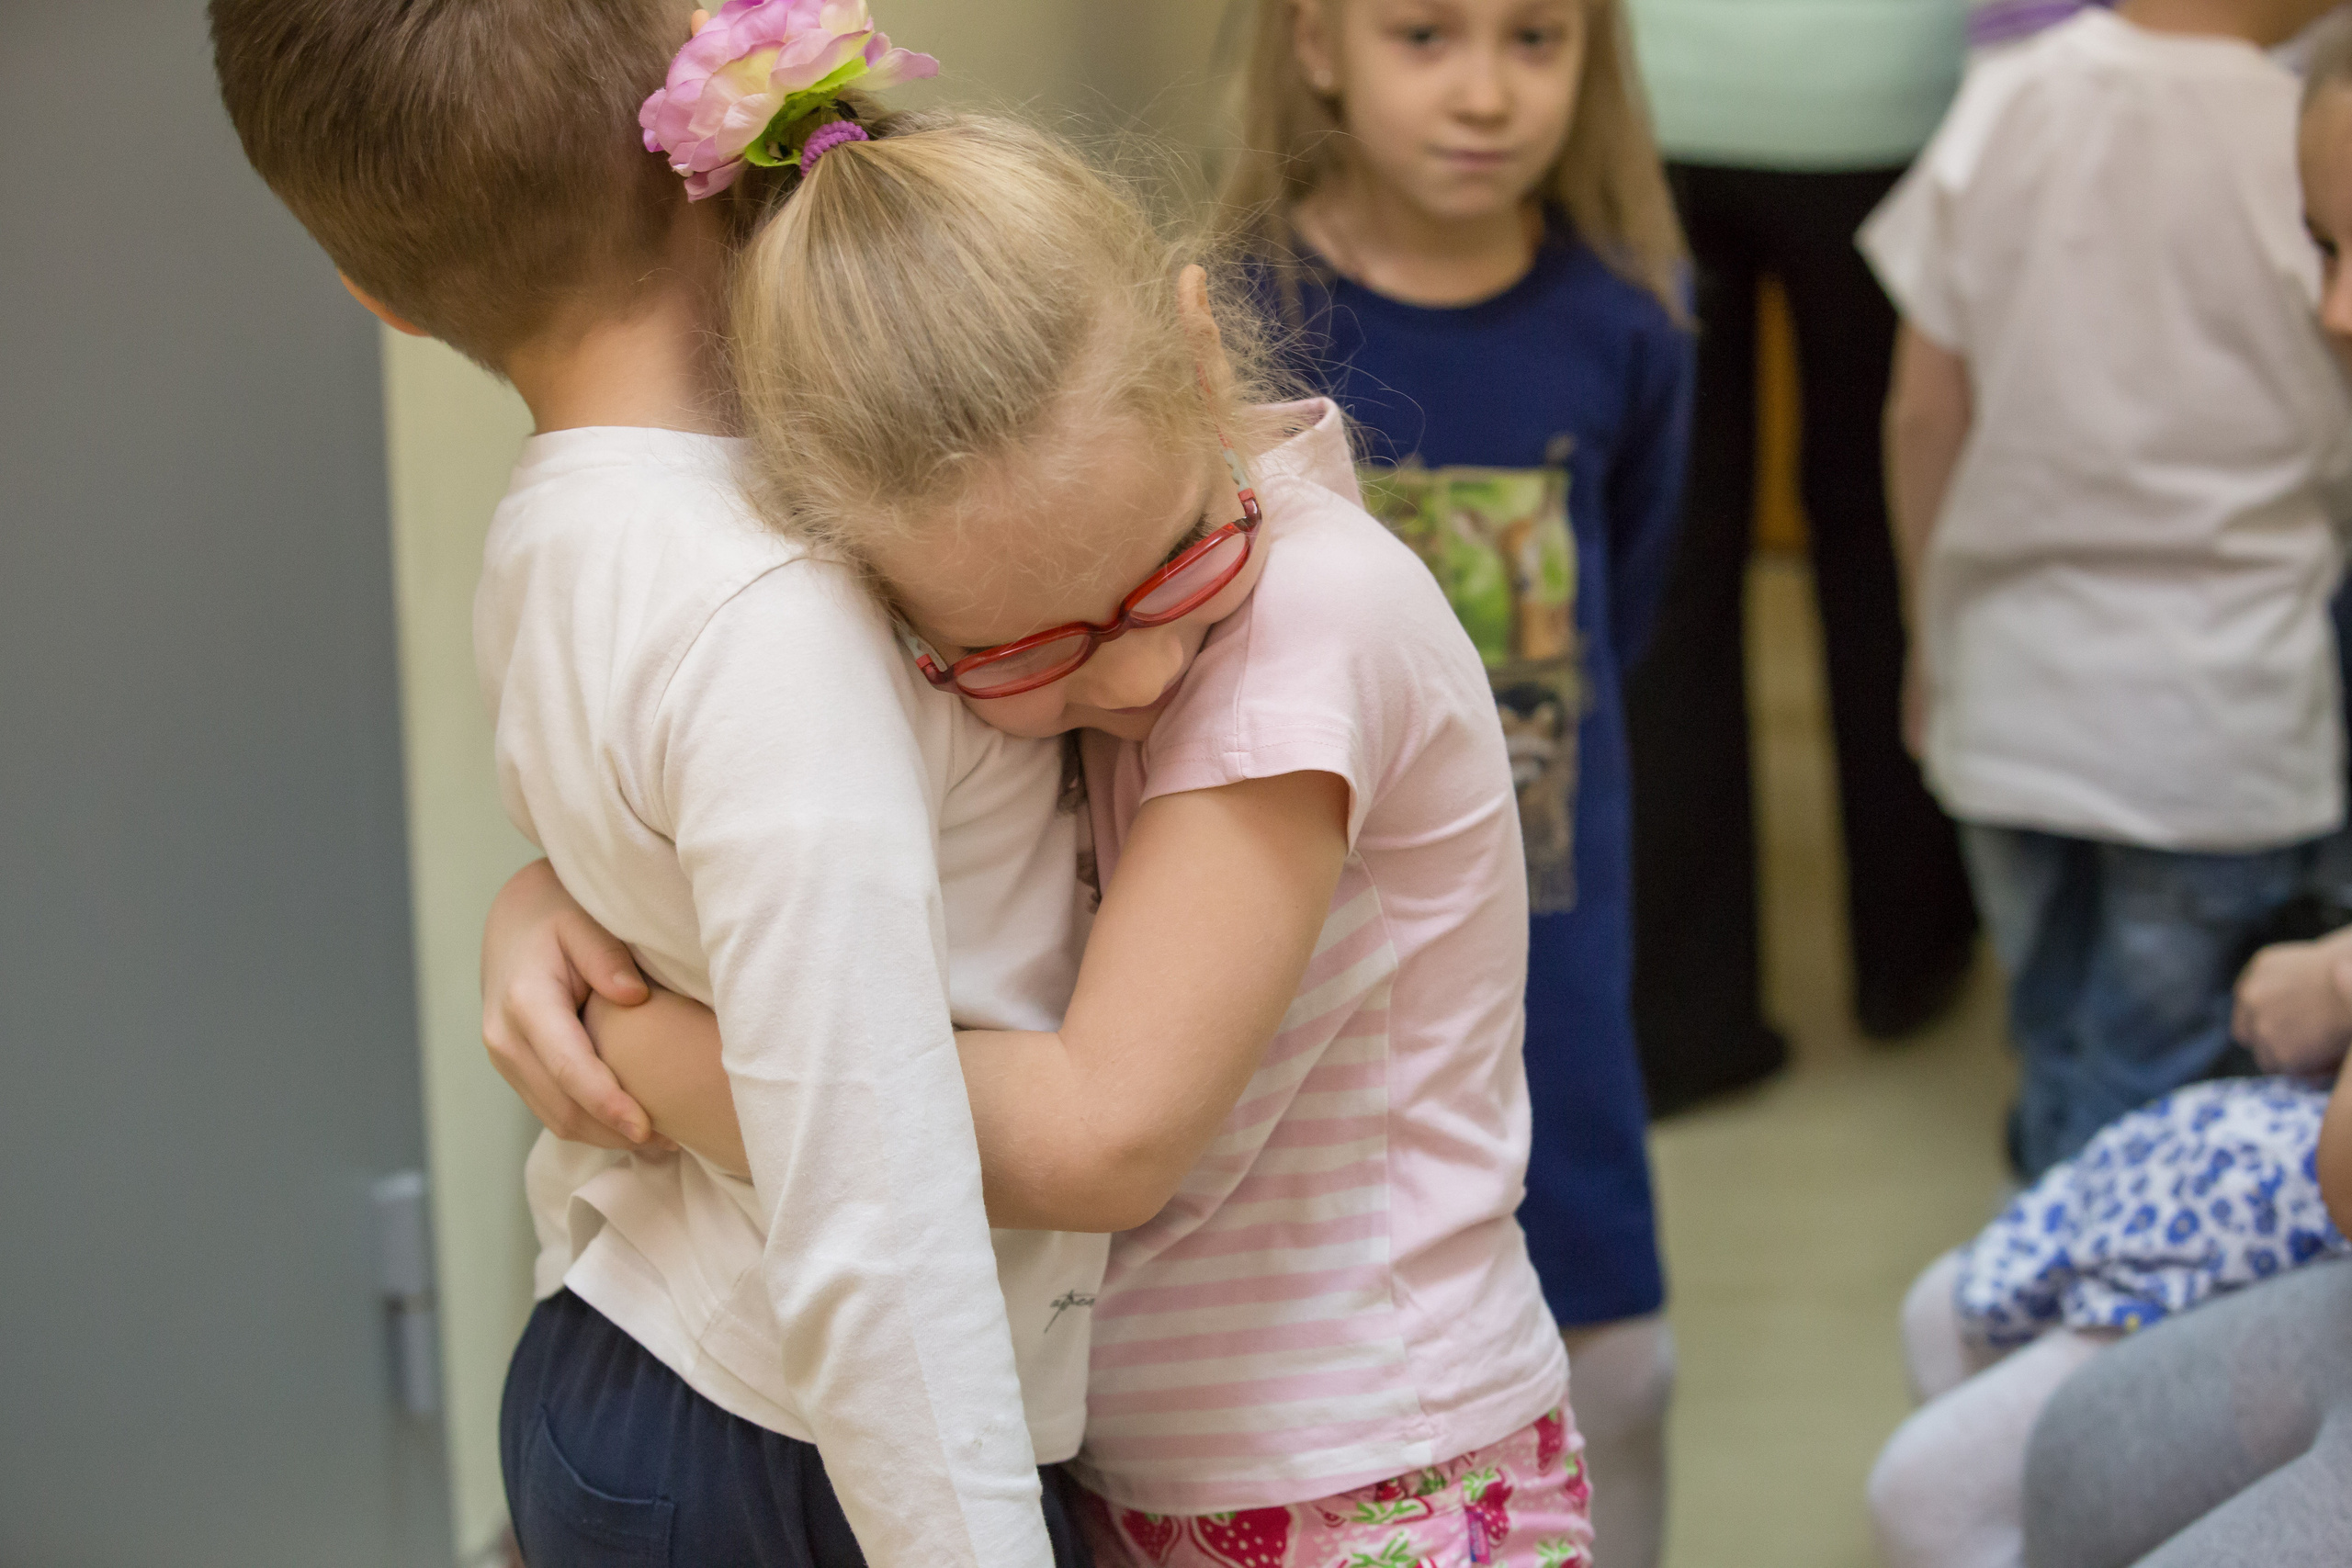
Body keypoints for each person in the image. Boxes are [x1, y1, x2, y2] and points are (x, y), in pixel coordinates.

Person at [492, 95, 1599, 1568]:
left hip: (1369, 1475)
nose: (1135, 675)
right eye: (1029, 651)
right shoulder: (1036, 581)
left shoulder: (1306, 630)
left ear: (1200, 357)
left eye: (1176, 560)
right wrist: (557, 890)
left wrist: (618, 1030)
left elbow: (1099, 1132)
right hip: (1146, 1469)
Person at [209, 3, 1109, 1563]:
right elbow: (871, 1209)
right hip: (807, 1447)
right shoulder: (769, 613)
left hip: (653, 1368)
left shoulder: (566, 527)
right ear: (712, 130)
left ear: (376, 293)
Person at [1203, 4, 1690, 1559]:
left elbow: (1629, 594)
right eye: (1426, 35)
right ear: (1318, 43)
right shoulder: (1230, 314)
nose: (1486, 93)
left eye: (1535, 40)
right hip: (1298, 936)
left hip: (1548, 936)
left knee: (1610, 1341)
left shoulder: (1630, 320)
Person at [1863, 0, 2352, 1186]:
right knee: (2161, 1098)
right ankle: (2080, 1283)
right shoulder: (2308, 127)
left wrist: (1932, 632)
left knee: (2051, 1043)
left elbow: (1925, 410)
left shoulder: (2010, 96)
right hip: (2220, 718)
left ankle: (2038, 1259)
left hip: (2012, 692)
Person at [1621, 0, 1979, 1111]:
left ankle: (1685, 1017)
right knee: (1890, 532)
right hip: (1890, 90)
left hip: (1659, 93)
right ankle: (1908, 958)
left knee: (1672, 560)